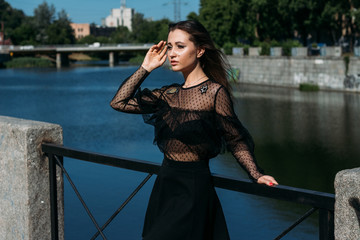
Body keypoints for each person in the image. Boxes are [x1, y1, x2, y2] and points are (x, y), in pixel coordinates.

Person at [110, 20, 278, 240]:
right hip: (165, 184)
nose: (172, 53)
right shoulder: (168, 95)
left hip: (194, 188)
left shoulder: (214, 93)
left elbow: (235, 139)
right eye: (169, 47)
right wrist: (146, 68)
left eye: (180, 46)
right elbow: (119, 102)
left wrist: (256, 174)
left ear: (199, 51)